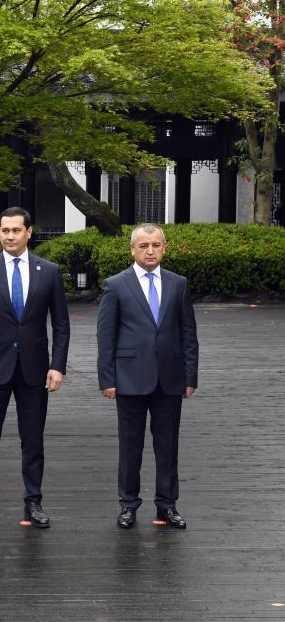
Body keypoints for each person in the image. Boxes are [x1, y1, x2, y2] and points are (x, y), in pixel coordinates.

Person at [0, 207, 70, 529]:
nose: (10, 236)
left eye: (16, 230)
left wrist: (58, 365)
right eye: (5, 230)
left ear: (29, 232)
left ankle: (33, 501)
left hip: (35, 370)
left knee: (33, 440)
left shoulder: (48, 271)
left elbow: (61, 325)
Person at [96, 223, 198, 530]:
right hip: (129, 378)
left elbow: (188, 333)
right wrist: (107, 379)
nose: (150, 250)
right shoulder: (116, 285)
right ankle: (128, 504)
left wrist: (190, 376)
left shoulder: (178, 284)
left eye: (155, 245)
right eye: (143, 246)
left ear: (165, 248)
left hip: (169, 378)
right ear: (132, 250)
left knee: (168, 446)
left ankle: (167, 504)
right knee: (130, 446)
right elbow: (106, 335)